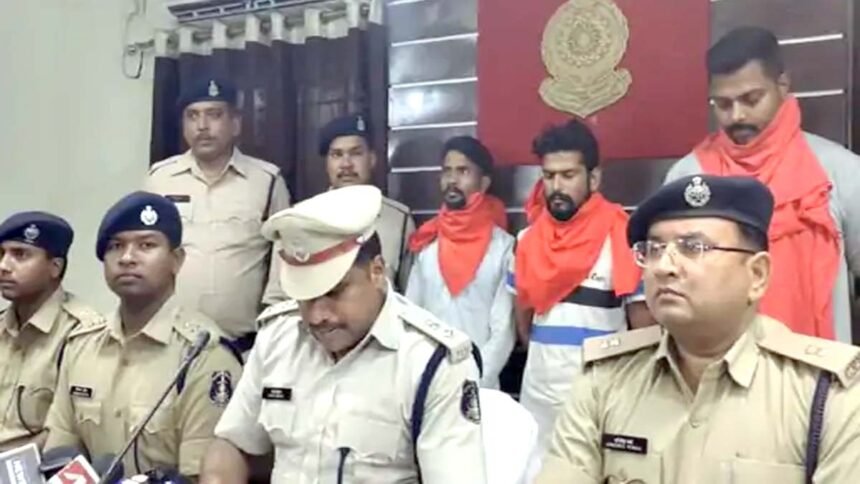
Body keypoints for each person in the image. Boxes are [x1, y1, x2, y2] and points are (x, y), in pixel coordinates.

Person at [536, 174, 860, 483]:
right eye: (654, 250)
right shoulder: (605, 380)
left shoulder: (828, 393)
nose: (664, 267)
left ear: (757, 275)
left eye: (694, 247)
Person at [200, 185, 486, 484]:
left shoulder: (432, 363)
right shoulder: (278, 339)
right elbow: (233, 443)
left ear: (377, 272)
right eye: (305, 297)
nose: (317, 316)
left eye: (334, 292)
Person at [666, 26, 860, 343]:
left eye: (751, 99)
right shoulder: (688, 179)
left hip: (817, 368)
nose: (737, 116)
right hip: (717, 368)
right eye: (722, 104)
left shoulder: (840, 172)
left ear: (782, 85)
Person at [44, 192, 243, 478]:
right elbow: (59, 456)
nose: (127, 258)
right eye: (116, 246)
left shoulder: (205, 354)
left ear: (177, 260)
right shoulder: (81, 344)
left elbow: (204, 475)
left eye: (146, 245)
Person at [507, 119, 653, 453]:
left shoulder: (623, 237)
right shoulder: (526, 240)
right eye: (549, 176)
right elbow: (523, 323)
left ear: (594, 178)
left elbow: (643, 332)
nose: (556, 186)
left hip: (602, 399)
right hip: (539, 398)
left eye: (568, 175)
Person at [145, 76, 291, 350]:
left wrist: (273, 328)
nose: (202, 126)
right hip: (169, 342)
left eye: (214, 115)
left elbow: (283, 260)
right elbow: (145, 251)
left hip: (242, 347)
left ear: (235, 123)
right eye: (192, 116)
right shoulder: (160, 179)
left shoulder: (267, 181)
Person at [406, 136, 514, 389]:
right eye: (447, 171)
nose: (452, 180)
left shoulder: (503, 248)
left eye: (463, 171)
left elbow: (503, 330)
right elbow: (411, 315)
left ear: (483, 183)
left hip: (479, 385)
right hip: (427, 381)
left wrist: (474, 380)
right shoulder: (427, 243)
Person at [0, 212, 102, 450]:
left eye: (20, 255)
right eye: (1, 254)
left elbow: (69, 431)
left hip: (34, 465)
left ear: (55, 267)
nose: (3, 266)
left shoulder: (83, 334)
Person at [320, 114, 416, 291]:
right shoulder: (301, 218)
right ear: (327, 163)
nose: (346, 164)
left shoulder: (398, 220)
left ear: (372, 159)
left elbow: (409, 292)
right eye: (337, 155)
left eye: (356, 153)